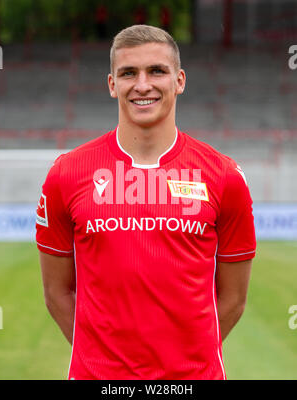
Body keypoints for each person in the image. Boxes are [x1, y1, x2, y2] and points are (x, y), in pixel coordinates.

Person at [36, 24, 256, 380]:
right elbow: (56, 292)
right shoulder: (67, 174)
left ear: (179, 80)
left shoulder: (224, 176)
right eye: (128, 73)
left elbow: (233, 299)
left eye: (156, 70)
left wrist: (184, 364)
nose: (142, 85)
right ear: (112, 85)